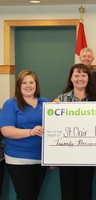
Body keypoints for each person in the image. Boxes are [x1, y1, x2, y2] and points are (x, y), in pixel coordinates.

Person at [0, 69, 48, 200]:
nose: (28, 86)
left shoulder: (46, 103)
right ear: (18, 86)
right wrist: (31, 132)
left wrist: (58, 108)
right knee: (25, 197)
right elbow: (6, 131)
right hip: (18, 158)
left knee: (34, 196)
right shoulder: (11, 104)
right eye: (24, 83)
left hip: (40, 158)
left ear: (36, 85)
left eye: (31, 82)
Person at [57, 63, 96, 200]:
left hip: (88, 154)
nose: (80, 78)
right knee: (68, 192)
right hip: (66, 155)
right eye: (76, 75)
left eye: (83, 75)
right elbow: (55, 127)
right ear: (71, 78)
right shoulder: (61, 100)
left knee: (85, 191)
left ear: (88, 78)